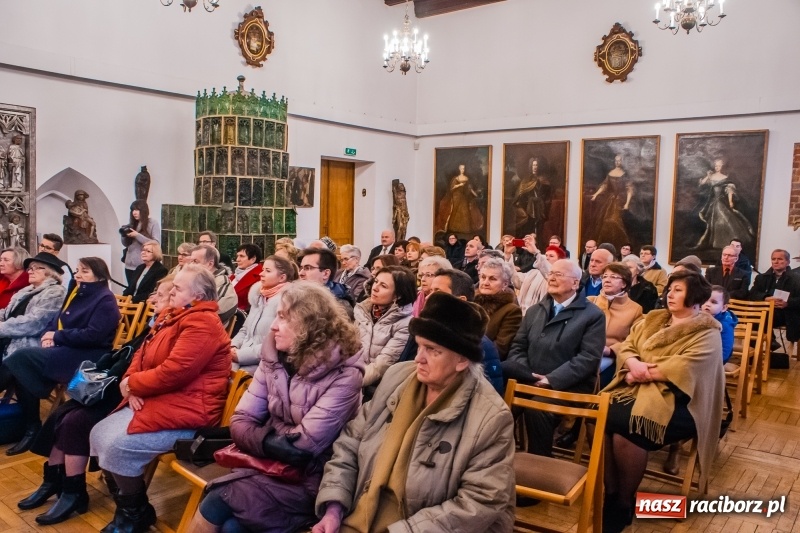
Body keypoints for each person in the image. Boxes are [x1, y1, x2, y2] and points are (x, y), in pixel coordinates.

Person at [312, 292, 515, 533]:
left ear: (461, 360)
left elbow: (479, 501)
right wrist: (334, 507)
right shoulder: (397, 379)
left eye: (432, 350)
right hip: (359, 516)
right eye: (418, 346)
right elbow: (349, 445)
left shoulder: (490, 417)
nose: (419, 358)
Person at [189, 282, 364, 532]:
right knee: (229, 525)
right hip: (267, 465)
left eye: (282, 317)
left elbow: (304, 447)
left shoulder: (345, 374)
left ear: (308, 325)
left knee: (217, 500)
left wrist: (258, 437)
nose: (273, 326)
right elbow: (240, 421)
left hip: (314, 475)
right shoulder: (275, 356)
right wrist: (269, 442)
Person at [19, 277, 173, 525]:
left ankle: (73, 492)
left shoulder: (171, 328)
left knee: (76, 420)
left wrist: (129, 383)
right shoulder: (156, 325)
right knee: (63, 413)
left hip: (135, 397)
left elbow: (159, 371)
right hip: (121, 388)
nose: (153, 298)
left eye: (162, 295)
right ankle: (53, 482)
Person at [90, 265, 231, 533]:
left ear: (198, 295)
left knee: (118, 445)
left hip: (190, 411)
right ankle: (134, 509)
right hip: (163, 400)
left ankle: (133, 515)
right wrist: (130, 384)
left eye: (177, 288)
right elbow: (141, 356)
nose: (169, 292)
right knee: (98, 432)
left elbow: (175, 372)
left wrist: (134, 384)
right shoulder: (174, 316)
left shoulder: (203, 323)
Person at [602, 270, 723, 533]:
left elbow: (684, 367)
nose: (670, 293)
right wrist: (633, 364)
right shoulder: (654, 318)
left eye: (678, 290)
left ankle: (624, 502)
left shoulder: (707, 331)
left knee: (626, 431)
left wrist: (639, 373)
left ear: (694, 297)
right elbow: (629, 345)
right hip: (637, 389)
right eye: (670, 289)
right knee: (597, 418)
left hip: (683, 401)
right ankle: (610, 493)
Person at [3, 257, 120, 455]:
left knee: (20, 359)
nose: (78, 274)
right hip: (66, 348)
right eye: (77, 270)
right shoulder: (76, 292)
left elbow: (94, 335)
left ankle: (32, 428)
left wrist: (57, 336)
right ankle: (31, 428)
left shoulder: (105, 299)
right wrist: (49, 336)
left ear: (99, 275)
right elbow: (56, 319)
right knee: (20, 365)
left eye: (85, 271)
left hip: (86, 356)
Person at [502, 259, 605, 457]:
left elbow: (588, 358)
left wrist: (550, 379)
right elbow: (518, 346)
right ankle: (498, 461)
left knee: (537, 410)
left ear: (575, 283)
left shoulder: (592, 315)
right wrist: (528, 374)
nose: (552, 278)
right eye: (551, 274)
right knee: (499, 408)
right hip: (529, 379)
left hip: (567, 384)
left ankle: (539, 466)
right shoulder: (535, 310)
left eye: (559, 274)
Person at [231, 255, 298, 374]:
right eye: (263, 270)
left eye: (267, 271)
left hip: (265, 364)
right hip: (241, 355)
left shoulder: (286, 303)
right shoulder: (259, 297)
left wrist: (240, 356)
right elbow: (245, 330)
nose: (261, 274)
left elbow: (275, 345)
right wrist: (233, 346)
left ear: (282, 277)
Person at [355, 265, 415, 394]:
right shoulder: (362, 311)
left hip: (377, 388)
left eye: (383, 286)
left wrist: (349, 381)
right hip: (353, 376)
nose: (375, 288)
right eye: (376, 282)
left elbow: (381, 367)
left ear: (397, 296)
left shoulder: (404, 324)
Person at [0, 252, 66, 362]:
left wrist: (2, 328)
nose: (30, 271)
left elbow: (35, 322)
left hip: (29, 349)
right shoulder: (24, 292)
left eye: (35, 268)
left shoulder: (56, 292)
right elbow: (6, 313)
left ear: (49, 272)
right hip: (8, 345)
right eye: (30, 268)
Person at [588, 263, 643, 387]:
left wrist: (611, 350)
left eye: (613, 277)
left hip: (612, 358)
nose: (607, 280)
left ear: (624, 284)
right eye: (605, 276)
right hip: (584, 352)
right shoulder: (590, 301)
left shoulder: (635, 309)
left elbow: (635, 340)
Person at [695, 158, 754, 251]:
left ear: (722, 166)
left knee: (724, 219)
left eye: (719, 165)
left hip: (721, 201)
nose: (717, 167)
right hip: (712, 201)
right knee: (715, 221)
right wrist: (707, 176)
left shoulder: (725, 178)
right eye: (716, 166)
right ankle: (715, 242)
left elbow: (729, 190)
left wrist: (730, 201)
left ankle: (726, 243)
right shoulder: (711, 176)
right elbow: (702, 184)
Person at [748, 249, 800, 349]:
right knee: (756, 317)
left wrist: (787, 303)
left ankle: (755, 351)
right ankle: (754, 351)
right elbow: (752, 294)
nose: (776, 261)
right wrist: (765, 298)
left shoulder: (796, 279)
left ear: (787, 262)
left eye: (780, 259)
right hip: (766, 311)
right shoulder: (761, 278)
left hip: (786, 313)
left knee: (760, 317)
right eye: (773, 259)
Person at [475, 257, 522, 360]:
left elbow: (500, 349)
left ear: (505, 284)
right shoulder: (471, 303)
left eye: (492, 279)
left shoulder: (511, 311)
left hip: (486, 365)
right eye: (483, 277)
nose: (485, 282)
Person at [299, 247, 355, 319]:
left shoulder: (338, 307)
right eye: (301, 268)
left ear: (325, 274)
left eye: (308, 268)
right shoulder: (298, 298)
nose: (301, 273)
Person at [590, 154, 632, 247]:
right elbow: (604, 185)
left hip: (621, 199)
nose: (617, 162)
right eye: (616, 161)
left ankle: (621, 244)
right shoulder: (611, 173)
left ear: (623, 161)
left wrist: (627, 204)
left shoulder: (625, 175)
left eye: (619, 160)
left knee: (615, 221)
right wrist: (596, 194)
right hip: (611, 200)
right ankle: (608, 243)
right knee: (605, 220)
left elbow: (629, 189)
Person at [190, 244, 238, 324]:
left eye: (195, 261)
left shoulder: (222, 283)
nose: (190, 265)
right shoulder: (192, 280)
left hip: (204, 331)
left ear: (210, 264)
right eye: (190, 261)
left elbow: (213, 316)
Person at [436, 164, 485, 236]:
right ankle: (453, 229)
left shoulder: (466, 178)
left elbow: (469, 188)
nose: (463, 170)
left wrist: (475, 194)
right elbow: (451, 189)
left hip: (464, 197)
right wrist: (459, 185)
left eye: (464, 168)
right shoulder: (455, 178)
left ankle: (464, 229)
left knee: (465, 211)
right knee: (455, 212)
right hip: (456, 197)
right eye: (461, 168)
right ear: (459, 169)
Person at [121, 200, 161, 286]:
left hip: (143, 265)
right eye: (132, 210)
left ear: (143, 210)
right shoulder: (132, 224)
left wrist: (137, 235)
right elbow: (125, 244)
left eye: (137, 210)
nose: (134, 213)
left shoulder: (153, 223)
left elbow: (156, 243)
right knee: (131, 292)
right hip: (129, 265)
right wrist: (124, 235)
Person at [513, 157, 552, 237]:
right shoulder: (526, 180)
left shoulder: (545, 181)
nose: (535, 167)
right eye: (533, 165)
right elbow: (520, 196)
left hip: (541, 209)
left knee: (539, 229)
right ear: (530, 166)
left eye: (537, 165)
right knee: (528, 229)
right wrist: (529, 201)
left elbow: (548, 196)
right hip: (527, 209)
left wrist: (540, 201)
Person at [703, 285, 737, 365]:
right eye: (705, 300)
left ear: (724, 308)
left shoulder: (725, 325)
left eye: (713, 302)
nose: (707, 304)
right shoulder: (700, 317)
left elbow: (725, 351)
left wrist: (713, 363)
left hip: (715, 361)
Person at [231, 244, 264, 312]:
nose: (237, 259)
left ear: (253, 259)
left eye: (242, 256)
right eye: (237, 256)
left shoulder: (260, 277)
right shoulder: (235, 274)